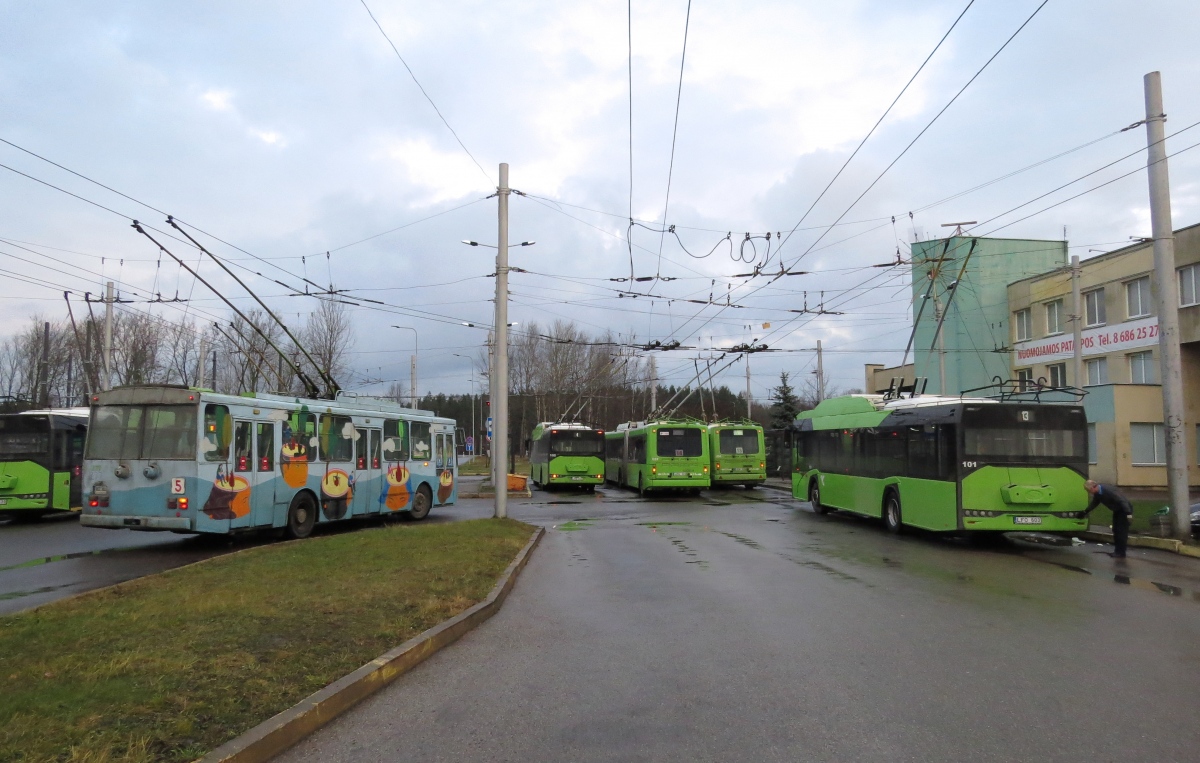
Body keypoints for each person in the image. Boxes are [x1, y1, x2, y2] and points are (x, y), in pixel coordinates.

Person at [1084, 480, 1133, 558]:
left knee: (1121, 531)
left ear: (1094, 487)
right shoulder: (1098, 493)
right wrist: (1086, 511)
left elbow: (1122, 500)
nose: (1090, 493)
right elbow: (1095, 503)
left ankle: (1121, 552)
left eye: (1090, 490)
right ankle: (1117, 551)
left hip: (1124, 510)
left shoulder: (1107, 491)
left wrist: (1128, 514)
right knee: (1115, 530)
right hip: (1117, 510)